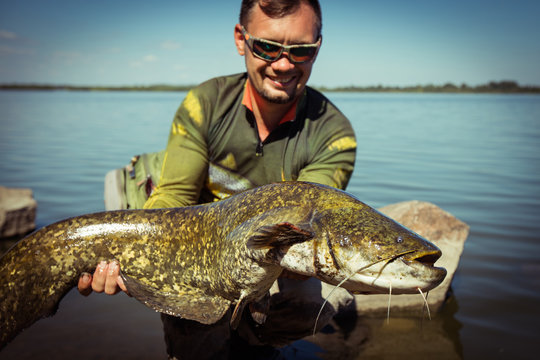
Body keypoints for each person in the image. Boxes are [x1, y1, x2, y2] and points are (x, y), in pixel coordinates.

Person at [79, 0, 357, 357]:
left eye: (300, 51)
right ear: (242, 40)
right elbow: (174, 197)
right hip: (194, 239)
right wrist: (126, 256)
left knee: (308, 306)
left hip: (266, 247)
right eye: (267, 47)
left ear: (317, 47)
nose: (283, 64)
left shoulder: (335, 135)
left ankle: (256, 342)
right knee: (195, 329)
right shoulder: (205, 103)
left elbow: (312, 224)